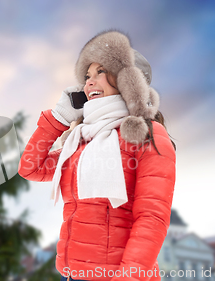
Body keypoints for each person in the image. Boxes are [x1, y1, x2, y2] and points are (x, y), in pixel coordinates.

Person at [18, 30, 176, 281]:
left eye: (100, 72)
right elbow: (30, 167)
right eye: (87, 76)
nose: (89, 82)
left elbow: (151, 218)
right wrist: (59, 117)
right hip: (71, 275)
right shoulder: (80, 140)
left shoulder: (147, 134)